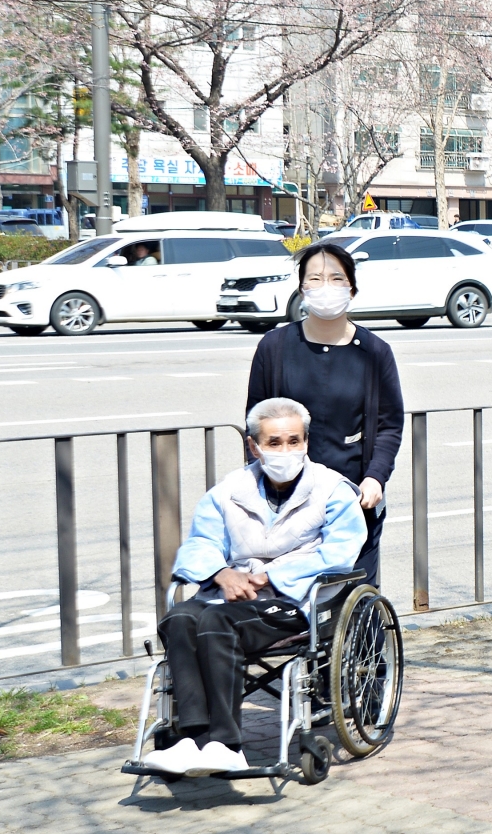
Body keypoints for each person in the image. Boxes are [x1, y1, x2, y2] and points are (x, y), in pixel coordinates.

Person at [140, 398, 366, 776]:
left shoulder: (332, 489)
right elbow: (200, 541)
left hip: (292, 600)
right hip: (230, 593)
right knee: (180, 618)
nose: (286, 450)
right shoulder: (228, 491)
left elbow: (341, 552)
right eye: (274, 443)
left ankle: (226, 745)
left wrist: (272, 577)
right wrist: (219, 573)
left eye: (294, 441)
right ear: (254, 446)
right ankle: (190, 739)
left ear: (306, 442)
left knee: (217, 624)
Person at [245, 242, 405, 585]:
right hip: (286, 499)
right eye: (315, 279)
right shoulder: (274, 347)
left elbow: (389, 424)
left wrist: (375, 477)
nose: (325, 287)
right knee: (288, 600)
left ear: (352, 288)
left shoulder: (375, 353)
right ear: (302, 289)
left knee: (354, 599)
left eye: (336, 278)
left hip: (354, 499)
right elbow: (256, 422)